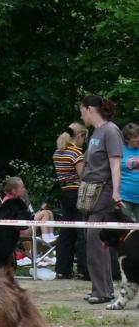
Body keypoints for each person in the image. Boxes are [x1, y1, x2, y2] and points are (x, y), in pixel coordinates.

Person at [79, 95, 124, 304]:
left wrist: (116, 191)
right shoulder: (96, 132)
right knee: (94, 239)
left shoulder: (111, 130)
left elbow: (115, 164)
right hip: (91, 191)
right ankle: (103, 288)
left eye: (82, 110)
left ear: (90, 109)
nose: (81, 114)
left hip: (103, 191)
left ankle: (102, 291)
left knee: (96, 238)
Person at [52, 123, 89, 279]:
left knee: (66, 231)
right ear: (79, 136)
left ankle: (62, 268)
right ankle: (84, 269)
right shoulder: (76, 153)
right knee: (82, 232)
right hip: (77, 193)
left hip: (65, 193)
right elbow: (83, 176)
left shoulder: (58, 153)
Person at [120, 122, 139, 221]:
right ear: (126, 139)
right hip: (124, 196)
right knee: (125, 228)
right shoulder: (120, 151)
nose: (138, 139)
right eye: (135, 137)